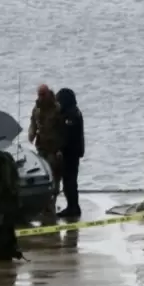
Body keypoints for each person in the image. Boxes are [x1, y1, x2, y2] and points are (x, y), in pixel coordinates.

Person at [28, 84, 63, 215]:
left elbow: (62, 129)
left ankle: (53, 200)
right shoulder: (36, 109)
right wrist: (31, 133)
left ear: (48, 94)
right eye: (39, 95)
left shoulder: (57, 108)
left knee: (55, 174)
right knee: (44, 173)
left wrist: (60, 148)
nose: (41, 97)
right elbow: (33, 123)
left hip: (55, 147)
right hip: (41, 145)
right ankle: (46, 202)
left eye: (43, 94)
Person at [56, 87, 84, 218]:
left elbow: (68, 136)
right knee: (70, 180)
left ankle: (73, 207)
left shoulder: (70, 115)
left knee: (69, 181)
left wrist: (61, 149)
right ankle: (72, 206)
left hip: (70, 153)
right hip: (74, 152)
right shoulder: (74, 112)